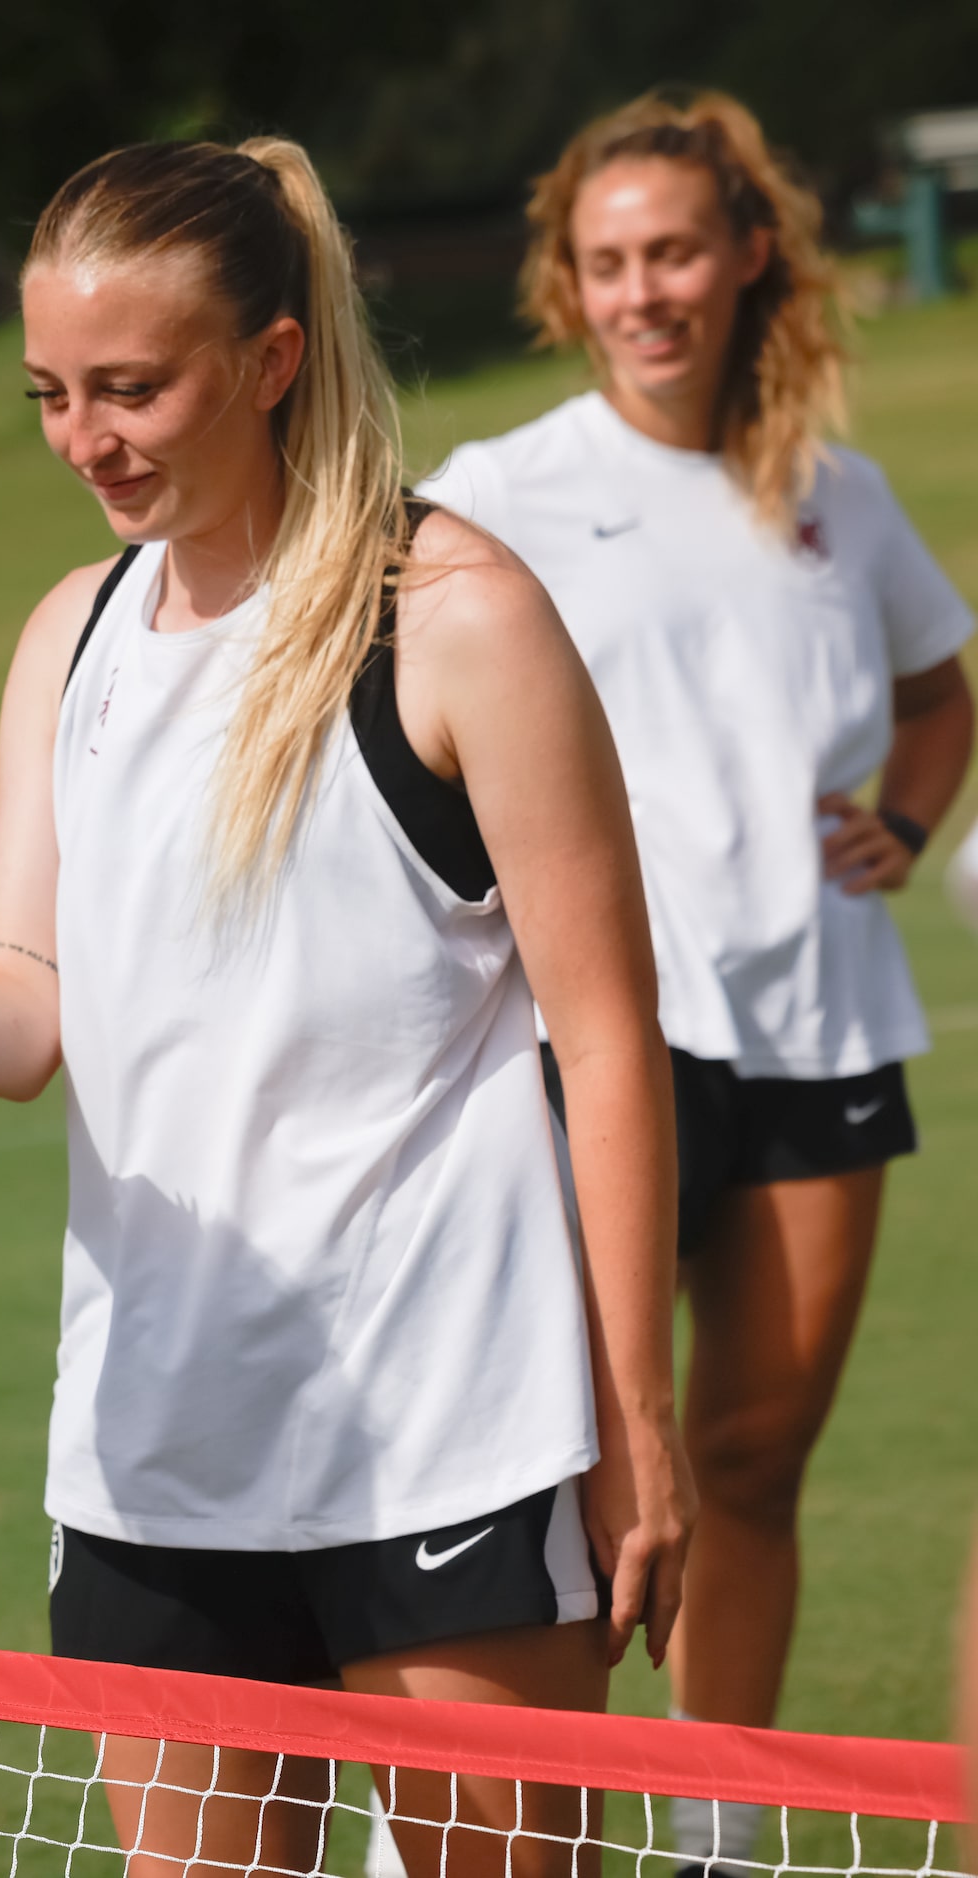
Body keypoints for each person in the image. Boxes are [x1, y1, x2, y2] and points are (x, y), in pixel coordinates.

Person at [0, 138, 691, 1878]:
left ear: (273, 358)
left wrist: (639, 1428)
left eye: (132, 388)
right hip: (155, 1459)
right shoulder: (67, 638)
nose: (85, 438)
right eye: (49, 392)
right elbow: (25, 1015)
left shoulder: (458, 620)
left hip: (453, 1442)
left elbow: (606, 1042)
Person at [417, 93, 975, 1878]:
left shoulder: (839, 493)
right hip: (605, 1053)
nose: (643, 291)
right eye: (606, 262)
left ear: (747, 260)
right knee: (573, 1485)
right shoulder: (499, 491)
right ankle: (498, 1833)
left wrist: (904, 814)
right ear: (567, 288)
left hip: (824, 1026)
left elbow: (944, 684)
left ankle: (724, 1842)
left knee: (749, 1459)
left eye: (672, 253)